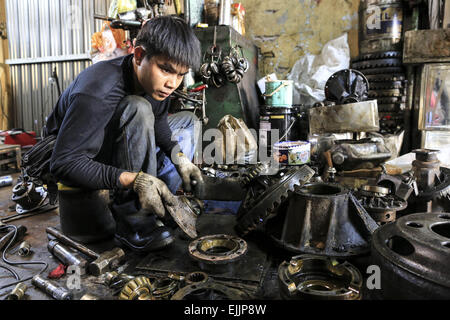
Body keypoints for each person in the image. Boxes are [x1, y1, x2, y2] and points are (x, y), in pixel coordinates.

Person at [44, 16, 204, 253]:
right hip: (79, 164)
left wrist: (180, 158)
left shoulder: (156, 85)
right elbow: (64, 163)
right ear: (139, 56)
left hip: (110, 148)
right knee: (137, 108)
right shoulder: (97, 90)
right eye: (166, 69)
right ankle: (135, 223)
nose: (173, 83)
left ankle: (163, 205)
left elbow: (159, 121)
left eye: (181, 74)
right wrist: (135, 180)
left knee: (188, 121)